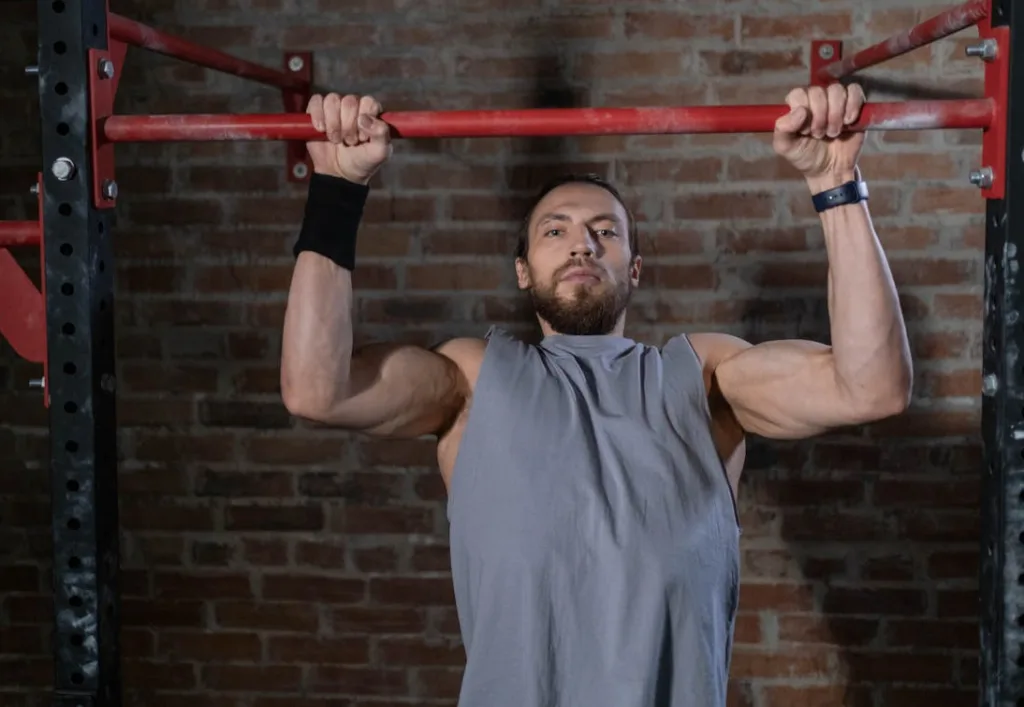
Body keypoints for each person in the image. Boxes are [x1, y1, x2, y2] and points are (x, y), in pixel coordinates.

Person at [280, 84, 912, 706]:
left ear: (634, 268)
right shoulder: (475, 380)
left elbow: (872, 388)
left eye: (604, 232)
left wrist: (836, 184)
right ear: (523, 268)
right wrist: (338, 189)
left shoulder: (703, 377)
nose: (582, 242)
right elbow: (315, 389)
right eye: (555, 231)